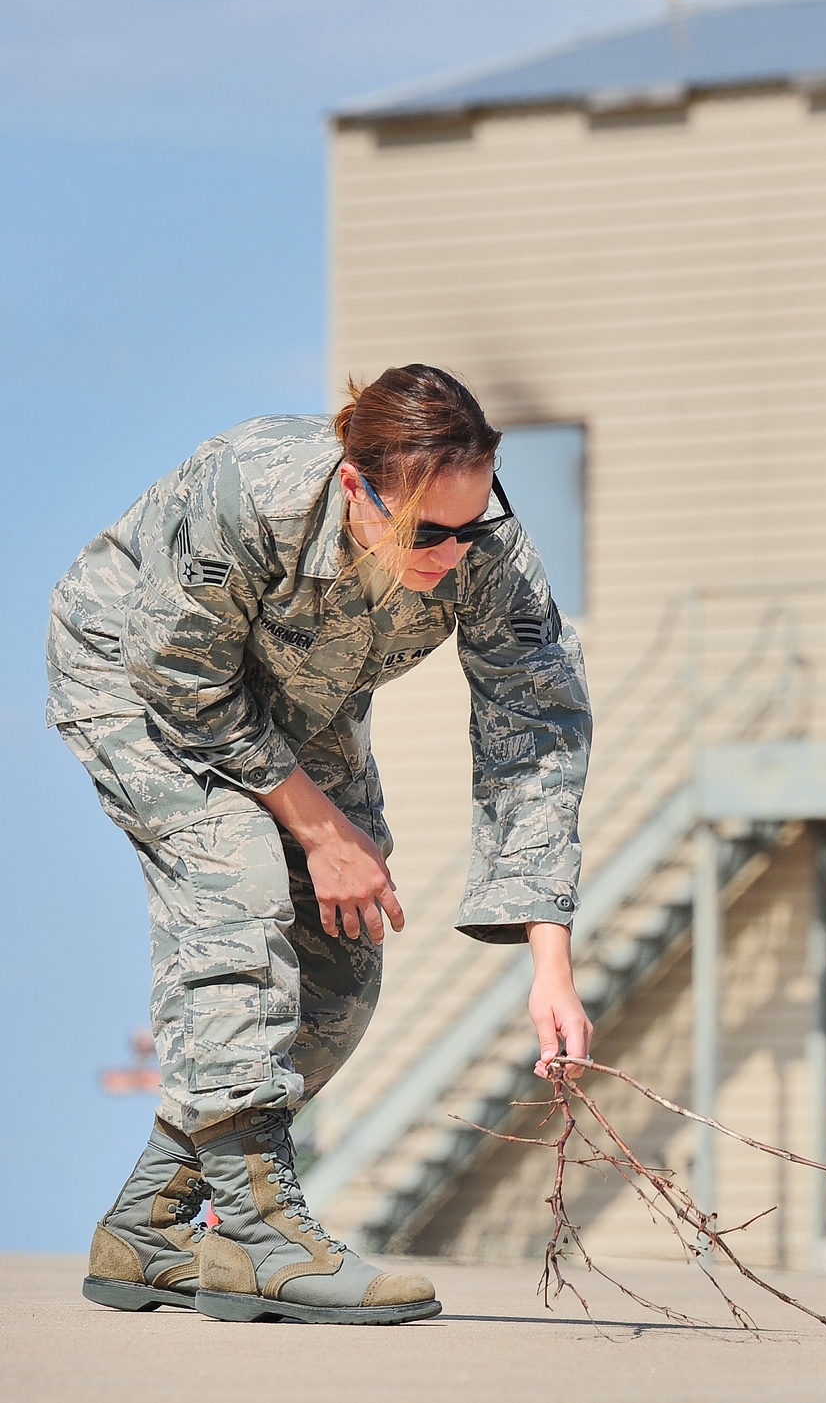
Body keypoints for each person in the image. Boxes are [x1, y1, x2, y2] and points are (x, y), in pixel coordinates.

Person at [47, 364, 594, 1326]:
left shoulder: (484, 547)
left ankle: (148, 1226)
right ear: (355, 487)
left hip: (296, 699)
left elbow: (536, 730)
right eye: (425, 532)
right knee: (240, 884)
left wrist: (552, 964)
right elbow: (179, 676)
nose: (451, 554)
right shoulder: (251, 490)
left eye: (470, 527)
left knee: (339, 966)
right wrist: (315, 826)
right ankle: (258, 1235)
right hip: (138, 677)